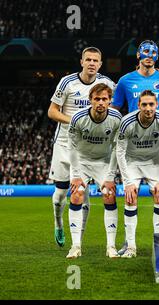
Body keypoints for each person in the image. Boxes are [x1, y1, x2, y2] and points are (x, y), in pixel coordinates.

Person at [48, 47, 115, 248]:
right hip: (64, 143)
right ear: (82, 62)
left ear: (100, 64)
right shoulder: (67, 82)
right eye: (88, 60)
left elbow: (114, 109)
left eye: (96, 60)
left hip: (90, 145)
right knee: (60, 194)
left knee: (82, 193)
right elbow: (52, 111)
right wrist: (77, 121)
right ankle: (58, 223)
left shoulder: (107, 84)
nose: (92, 63)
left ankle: (78, 242)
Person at [66, 83, 122, 259]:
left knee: (109, 194)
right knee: (77, 195)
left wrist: (111, 176)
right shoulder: (78, 118)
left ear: (110, 101)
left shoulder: (116, 118)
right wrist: (75, 176)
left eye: (104, 99)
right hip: (81, 162)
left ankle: (111, 246)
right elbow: (72, 147)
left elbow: (117, 148)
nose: (100, 102)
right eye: (97, 99)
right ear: (90, 100)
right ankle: (75, 246)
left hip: (103, 162)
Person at [116, 90, 159, 258]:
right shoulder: (126, 122)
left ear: (157, 105)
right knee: (130, 197)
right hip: (132, 162)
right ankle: (130, 246)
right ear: (138, 105)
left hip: (154, 161)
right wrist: (128, 182)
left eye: (151, 104)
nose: (148, 108)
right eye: (144, 104)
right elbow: (120, 151)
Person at [112, 40, 159, 114]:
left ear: (157, 57)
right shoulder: (125, 80)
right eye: (146, 51)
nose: (150, 55)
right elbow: (114, 108)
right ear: (138, 55)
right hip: (135, 125)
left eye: (153, 52)